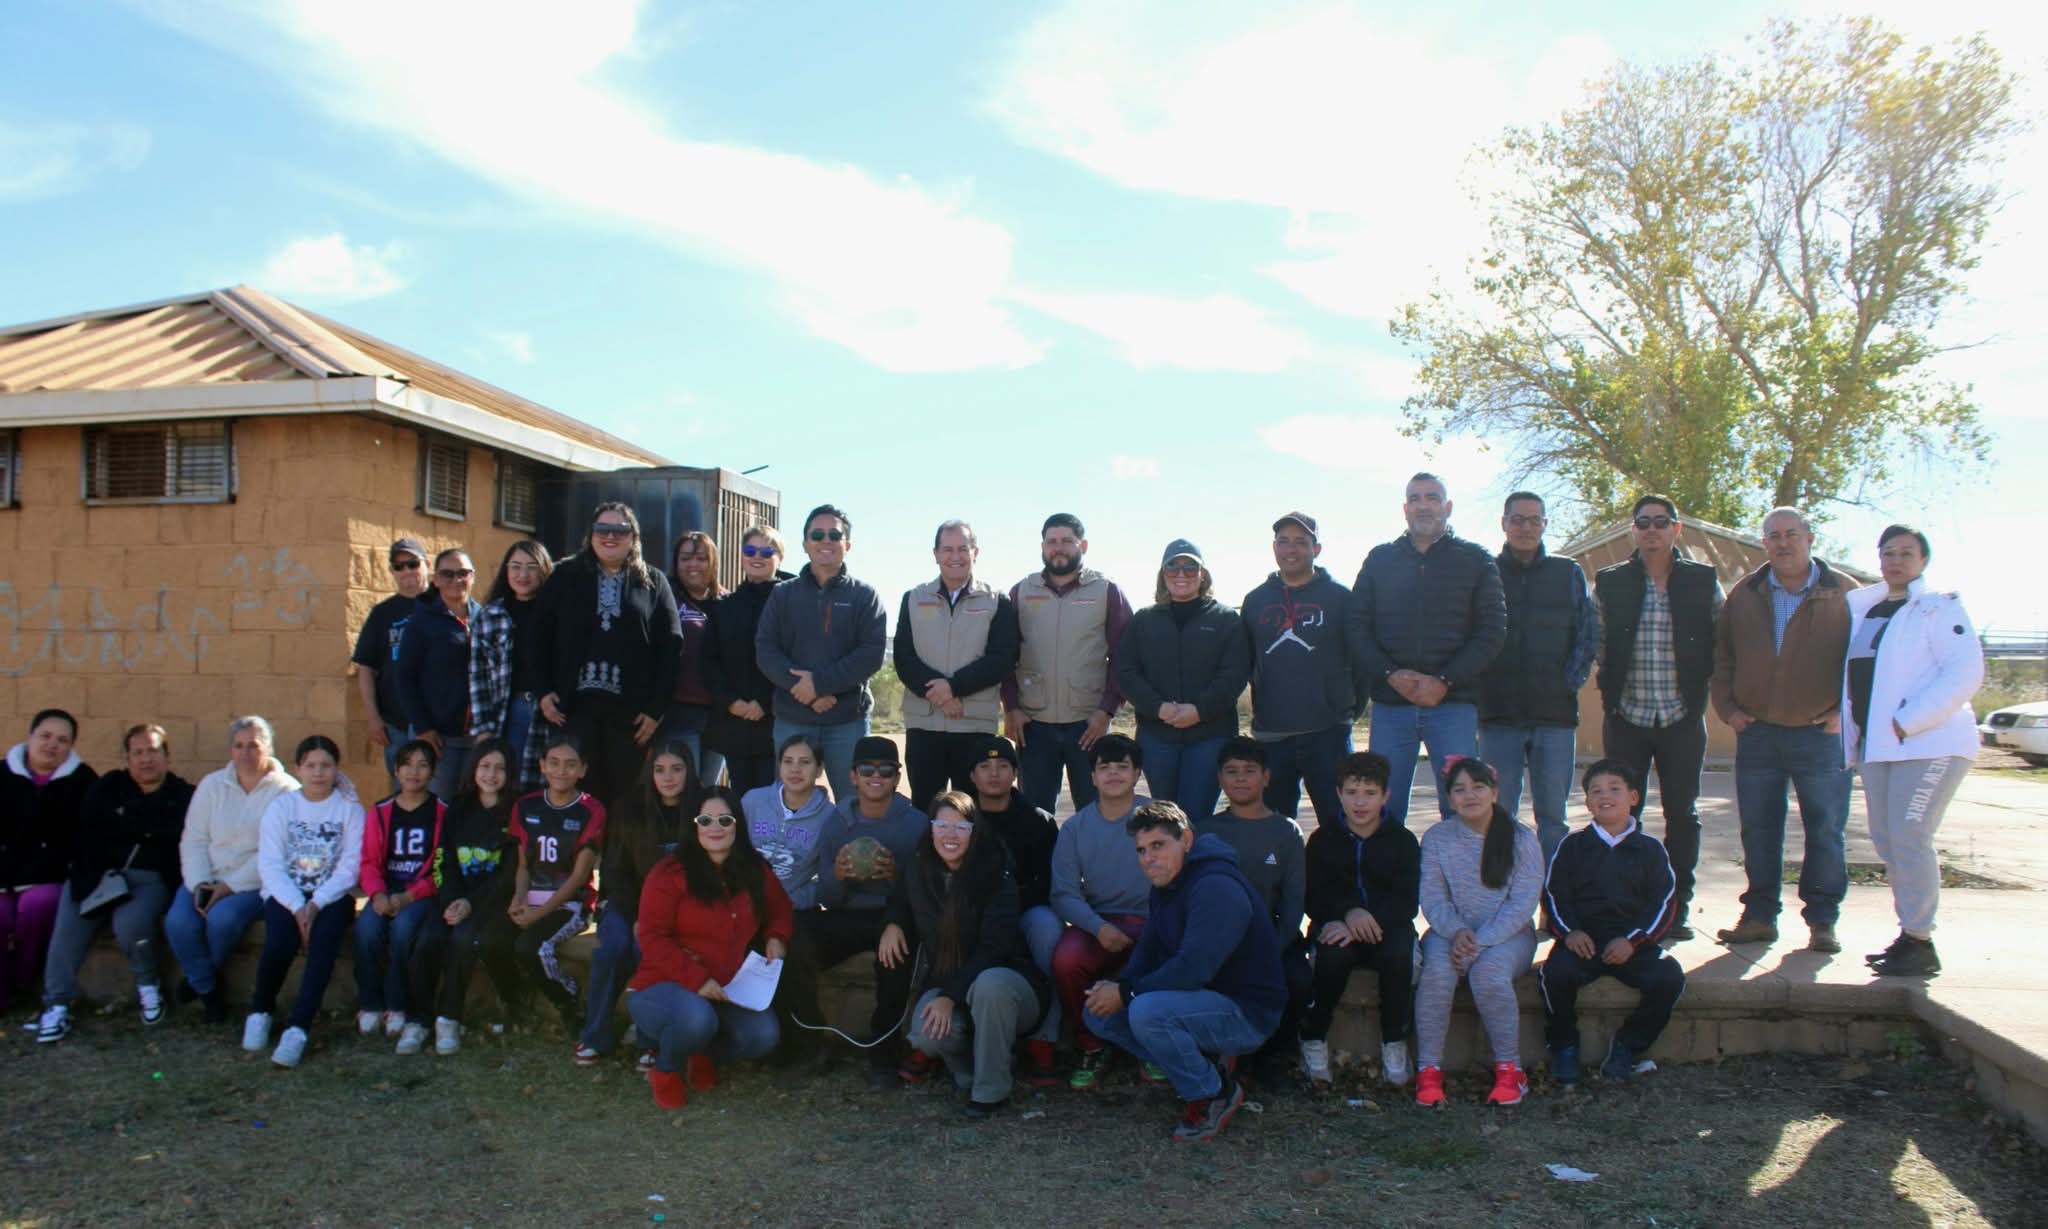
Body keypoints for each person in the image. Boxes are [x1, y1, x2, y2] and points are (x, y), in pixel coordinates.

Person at [1082, 801, 1285, 1143]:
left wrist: (1126, 993)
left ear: (1187, 840)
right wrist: (1117, 987)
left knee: (1147, 1012)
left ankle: (1213, 1093)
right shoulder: (1168, 883)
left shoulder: (1215, 886)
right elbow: (1149, 949)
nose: (1148, 858)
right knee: (1099, 1013)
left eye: (1158, 845)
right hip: (1199, 1003)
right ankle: (1204, 1065)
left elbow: (1192, 970)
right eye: (1142, 850)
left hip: (1245, 1012)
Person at [1710, 507, 1855, 954]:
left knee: (1825, 829)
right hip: (1758, 733)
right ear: (1765, 544)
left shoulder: (1844, 593)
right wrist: (1729, 710)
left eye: (1792, 534)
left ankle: (1823, 921)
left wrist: (1845, 712)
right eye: (1773, 536)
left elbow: (1865, 660)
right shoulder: (1745, 594)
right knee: (1758, 830)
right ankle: (1759, 916)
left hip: (1821, 734)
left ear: (1810, 538)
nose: (1783, 542)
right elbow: (1722, 657)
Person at [1841, 526, 1984, 978]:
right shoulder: (1868, 609)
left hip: (1930, 743)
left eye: (1906, 553)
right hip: (1878, 746)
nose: (1896, 560)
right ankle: (1909, 935)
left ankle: (1921, 940)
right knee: (1887, 840)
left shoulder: (1939, 607)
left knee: (1909, 834)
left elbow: (1965, 671)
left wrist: (1909, 720)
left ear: (1924, 560)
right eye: (1888, 553)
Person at [1595, 494, 1725, 942]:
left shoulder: (1703, 581)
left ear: (1676, 529)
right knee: (1622, 814)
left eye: (1661, 521)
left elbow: (1722, 641)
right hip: (1627, 717)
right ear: (1634, 530)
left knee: (1681, 815)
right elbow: (1596, 640)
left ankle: (1675, 907)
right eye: (1644, 522)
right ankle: (1625, 905)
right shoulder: (1610, 582)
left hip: (1681, 717)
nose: (1652, 529)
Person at [1348, 473, 1507, 827]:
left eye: (1432, 498)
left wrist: (1445, 680)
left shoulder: (1475, 560)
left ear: (1447, 507)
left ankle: (1459, 867)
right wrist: (1390, 675)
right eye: (1415, 498)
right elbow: (1356, 627)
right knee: (1383, 811)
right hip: (1391, 706)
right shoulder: (1379, 560)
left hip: (1453, 705)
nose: (1424, 505)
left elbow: (1493, 631)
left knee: (1462, 809)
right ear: (1405, 509)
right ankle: (1393, 867)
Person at [880, 791, 1050, 1117]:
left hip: (1011, 988)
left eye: (961, 827)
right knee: (925, 1032)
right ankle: (970, 1072)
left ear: (975, 832)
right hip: (949, 981)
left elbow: (995, 948)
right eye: (942, 825)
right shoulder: (920, 867)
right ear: (930, 828)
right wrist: (893, 924)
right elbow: (900, 899)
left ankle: (990, 1092)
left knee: (989, 985)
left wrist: (949, 996)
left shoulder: (996, 874)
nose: (951, 834)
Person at [627, 787, 792, 1110]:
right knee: (696, 1019)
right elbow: (651, 937)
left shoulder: (754, 869)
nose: (715, 827)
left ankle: (702, 1053)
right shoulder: (669, 873)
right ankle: (666, 1070)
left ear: (738, 824)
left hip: (727, 987)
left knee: (763, 1036)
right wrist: (697, 979)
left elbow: (781, 909)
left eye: (725, 820)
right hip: (663, 985)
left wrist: (777, 937)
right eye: (705, 820)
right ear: (694, 825)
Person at [781, 736, 924, 1088]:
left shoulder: (916, 824)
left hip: (894, 917)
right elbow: (830, 898)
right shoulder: (837, 823)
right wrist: (839, 876)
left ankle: (883, 1053)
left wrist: (895, 878)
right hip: (849, 915)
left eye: (885, 770)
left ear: (897, 777)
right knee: (793, 934)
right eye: (867, 769)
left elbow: (924, 893)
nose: (876, 776)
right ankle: (812, 1043)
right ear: (853, 776)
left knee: (895, 955)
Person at [36, 725, 193, 1043]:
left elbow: (174, 836)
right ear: (127, 758)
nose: (145, 759)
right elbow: (89, 829)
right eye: (138, 752)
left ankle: (148, 987)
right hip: (97, 874)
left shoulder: (183, 795)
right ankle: (56, 1005)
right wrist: (147, 827)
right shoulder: (108, 786)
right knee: (69, 928)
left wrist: (127, 820)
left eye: (153, 751)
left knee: (131, 924)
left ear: (167, 756)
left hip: (148, 879)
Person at [1540, 759, 1686, 1084]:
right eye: (1596, 791)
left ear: (1633, 797)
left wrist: (1633, 941)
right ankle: (1564, 1045)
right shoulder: (1572, 846)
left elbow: (1663, 902)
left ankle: (1627, 1047)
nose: (1604, 796)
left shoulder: (1650, 850)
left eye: (1614, 789)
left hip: (1632, 944)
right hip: (1583, 942)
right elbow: (1554, 894)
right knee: (1554, 975)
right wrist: (1570, 933)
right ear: (1587, 802)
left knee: (1669, 977)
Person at [532, 502, 683, 809]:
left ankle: (617, 844)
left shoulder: (653, 582)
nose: (610, 536)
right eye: (602, 529)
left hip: (631, 716)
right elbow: (538, 635)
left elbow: (671, 647)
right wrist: (542, 691)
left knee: (624, 800)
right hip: (572, 709)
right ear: (590, 534)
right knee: (576, 795)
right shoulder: (564, 576)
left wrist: (656, 710)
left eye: (620, 530)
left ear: (633, 537)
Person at [1412, 757, 1541, 1108]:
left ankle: (1510, 1070)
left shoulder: (1521, 839)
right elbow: (1433, 898)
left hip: (1509, 936)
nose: (1470, 795)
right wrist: (1456, 932)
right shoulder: (1437, 838)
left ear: (1495, 792)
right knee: (1437, 972)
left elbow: (1522, 905)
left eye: (1478, 787)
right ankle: (1428, 1070)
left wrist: (1480, 942)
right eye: (1460, 789)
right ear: (1449, 798)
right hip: (1449, 932)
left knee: (1488, 973)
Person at [1477, 492, 1600, 861]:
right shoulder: (1485, 572)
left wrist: (1568, 683)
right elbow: (1471, 635)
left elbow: (1587, 634)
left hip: (1554, 717)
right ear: (1504, 523)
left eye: (1534, 520)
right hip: (1498, 717)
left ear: (1545, 525)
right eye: (1517, 519)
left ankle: (1553, 892)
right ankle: (1503, 892)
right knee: (1498, 815)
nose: (1525, 527)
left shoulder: (1568, 572)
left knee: (1553, 818)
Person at [243, 734, 365, 1069]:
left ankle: (298, 1028)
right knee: (279, 942)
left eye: (326, 765)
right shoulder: (282, 807)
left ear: (336, 769)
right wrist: (297, 905)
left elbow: (350, 866)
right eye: (310, 765)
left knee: (323, 947)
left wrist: (316, 903)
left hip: (332, 897)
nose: (318, 773)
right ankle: (261, 1010)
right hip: (286, 895)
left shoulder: (350, 810)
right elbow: (270, 864)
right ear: (298, 769)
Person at [166, 715, 298, 1023]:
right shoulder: (212, 785)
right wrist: (201, 884)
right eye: (239, 746)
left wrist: (228, 888)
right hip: (207, 875)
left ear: (268, 748)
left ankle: (199, 984)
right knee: (178, 922)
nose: (246, 753)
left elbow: (275, 853)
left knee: (222, 920)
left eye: (254, 745)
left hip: (253, 883)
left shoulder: (287, 792)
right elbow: (195, 838)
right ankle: (207, 986)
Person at [1298, 751, 1419, 1086]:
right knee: (1332, 956)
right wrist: (1346, 914)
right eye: (1351, 792)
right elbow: (1314, 895)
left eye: (1370, 793)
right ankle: (1314, 1037)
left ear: (1386, 796)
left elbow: (1408, 901)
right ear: (1339, 794)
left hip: (1388, 926)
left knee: (1398, 958)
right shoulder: (1322, 840)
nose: (1360, 802)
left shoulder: (1403, 841)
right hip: (1336, 924)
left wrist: (1370, 918)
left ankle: (1394, 1041)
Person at [755, 503, 888, 803]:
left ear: (847, 545)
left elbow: (870, 655)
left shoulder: (865, 596)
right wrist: (804, 690)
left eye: (834, 535)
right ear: (805, 544)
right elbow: (766, 650)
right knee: (789, 803)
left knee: (853, 804)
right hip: (792, 719)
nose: (825, 541)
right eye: (817, 535)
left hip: (847, 722)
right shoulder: (782, 594)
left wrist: (820, 685)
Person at [1003, 513, 1134, 815]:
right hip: (1033, 724)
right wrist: (1011, 707)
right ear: (1042, 547)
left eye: (1066, 541)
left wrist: (1106, 711)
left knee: (1095, 813)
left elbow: (1124, 657)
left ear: (1083, 546)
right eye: (1051, 542)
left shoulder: (1106, 591)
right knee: (1035, 816)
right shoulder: (1021, 592)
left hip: (1088, 725)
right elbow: (1005, 655)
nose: (1058, 548)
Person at [578, 739, 698, 1065]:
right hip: (629, 904)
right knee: (613, 949)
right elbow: (615, 870)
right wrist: (637, 915)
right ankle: (595, 1035)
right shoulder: (629, 808)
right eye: (660, 770)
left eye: (677, 769)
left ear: (690, 771)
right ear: (650, 773)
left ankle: (650, 1039)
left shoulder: (702, 810)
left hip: (680, 910)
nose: (668, 777)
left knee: (651, 950)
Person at [1199, 737, 1309, 1087]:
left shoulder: (1286, 832)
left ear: (1266, 777)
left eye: (1249, 771)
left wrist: (1271, 947)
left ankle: (1275, 1056)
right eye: (1231, 772)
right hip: (1222, 938)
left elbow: (1293, 902)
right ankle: (1224, 1055)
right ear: (1220, 779)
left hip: (1273, 935)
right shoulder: (1207, 831)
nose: (1241, 779)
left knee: (1297, 979)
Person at [1115, 538, 1251, 819]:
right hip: (1157, 736)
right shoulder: (1144, 620)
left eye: (1190, 567)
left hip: (1210, 736)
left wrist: (1199, 710)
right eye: (1173, 567)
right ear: (1162, 575)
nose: (1181, 574)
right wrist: (1158, 707)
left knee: (1197, 816)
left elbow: (1235, 673)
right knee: (1165, 817)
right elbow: (1125, 671)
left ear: (1203, 575)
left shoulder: (1225, 619)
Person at [1242, 512, 1360, 830]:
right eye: (1283, 541)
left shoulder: (1340, 598)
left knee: (1340, 826)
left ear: (1316, 549)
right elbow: (1245, 663)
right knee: (1275, 829)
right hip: (1273, 735)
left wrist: (1344, 707)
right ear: (1274, 547)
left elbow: (1360, 660)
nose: (1290, 549)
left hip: (1328, 733)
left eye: (1300, 542)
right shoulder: (1255, 601)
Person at [894, 520, 1021, 810]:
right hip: (924, 725)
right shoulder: (913, 599)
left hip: (974, 724)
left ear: (975, 552)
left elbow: (1001, 658)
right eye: (947, 549)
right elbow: (904, 658)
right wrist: (939, 695)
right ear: (936, 554)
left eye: (963, 549)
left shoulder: (996, 601)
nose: (955, 556)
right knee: (926, 809)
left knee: (973, 811)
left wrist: (953, 687)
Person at [1049, 734, 1153, 1088]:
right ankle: (1091, 1044)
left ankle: (1154, 1044)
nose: (1113, 774)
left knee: (1172, 954)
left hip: (1154, 921)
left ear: (1137, 773)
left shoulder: (1161, 818)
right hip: (1100, 923)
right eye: (1104, 767)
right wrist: (1097, 927)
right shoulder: (1076, 828)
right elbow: (1064, 893)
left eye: (1122, 767)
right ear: (1092, 776)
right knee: (1066, 959)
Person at [488, 733, 605, 1038]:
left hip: (570, 903)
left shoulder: (591, 810)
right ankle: (515, 1002)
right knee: (490, 941)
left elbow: (579, 877)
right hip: (531, 897)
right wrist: (519, 899)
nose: (561, 771)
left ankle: (568, 1001)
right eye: (553, 762)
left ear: (583, 769)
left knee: (532, 947)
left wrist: (538, 915)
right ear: (541, 766)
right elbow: (523, 865)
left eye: (570, 764)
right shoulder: (526, 806)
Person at [407, 738, 518, 1056]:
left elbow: (510, 873)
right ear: (473, 769)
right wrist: (453, 899)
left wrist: (471, 903)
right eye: (485, 766)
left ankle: (448, 1018)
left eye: (499, 768)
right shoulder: (458, 808)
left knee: (464, 939)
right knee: (428, 938)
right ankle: (418, 1019)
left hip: (492, 903)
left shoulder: (516, 812)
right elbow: (444, 861)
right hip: (455, 899)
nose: (491, 774)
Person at [964, 736, 1063, 1085]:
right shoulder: (959, 817)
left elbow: (1048, 883)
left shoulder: (1038, 821)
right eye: (985, 767)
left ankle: (1045, 1037)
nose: (994, 774)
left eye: (1003, 766)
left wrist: (1008, 907)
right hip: (970, 912)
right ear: (972, 775)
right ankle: (938, 1031)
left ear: (1016, 773)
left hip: (1025, 910)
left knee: (1048, 927)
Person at [1, 709, 97, 1015]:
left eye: (62, 740)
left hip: (50, 877)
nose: (52, 744)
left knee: (38, 906)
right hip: (3, 876)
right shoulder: (2, 774)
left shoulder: (84, 781)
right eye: (45, 736)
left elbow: (87, 837)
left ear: (70, 747)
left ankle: (22, 982)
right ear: (30, 737)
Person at [355, 739, 447, 1051]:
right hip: (386, 890)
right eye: (407, 764)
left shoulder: (442, 813)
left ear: (433, 772)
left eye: (423, 765)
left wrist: (409, 896)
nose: (414, 772)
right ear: (396, 770)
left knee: (404, 929)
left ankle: (397, 1005)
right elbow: (369, 862)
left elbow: (441, 867)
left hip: (419, 895)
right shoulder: (381, 811)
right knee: (367, 929)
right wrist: (377, 894)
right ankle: (370, 1003)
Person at [704, 525, 795, 796]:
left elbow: (795, 657)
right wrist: (731, 702)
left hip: (778, 721)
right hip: (735, 723)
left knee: (778, 800)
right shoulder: (723, 606)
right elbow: (710, 661)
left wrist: (764, 702)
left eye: (767, 552)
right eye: (750, 550)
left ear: (780, 557)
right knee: (743, 802)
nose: (757, 557)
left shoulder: (791, 605)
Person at [470, 538, 555, 792]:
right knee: (507, 785)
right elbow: (478, 675)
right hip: (507, 713)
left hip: (549, 712)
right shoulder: (491, 615)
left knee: (545, 786)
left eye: (531, 567)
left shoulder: (558, 612)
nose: (522, 575)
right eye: (515, 567)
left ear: (544, 570)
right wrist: (483, 727)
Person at [397, 548, 482, 801]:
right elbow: (405, 677)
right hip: (438, 738)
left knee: (469, 807)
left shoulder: (485, 617)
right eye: (447, 574)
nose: (456, 580)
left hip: (478, 737)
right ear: (435, 580)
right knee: (437, 807)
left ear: (473, 576)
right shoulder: (421, 622)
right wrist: (423, 727)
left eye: (463, 573)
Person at [352, 536, 430, 784]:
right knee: (403, 792)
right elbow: (366, 667)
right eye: (399, 566)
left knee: (441, 793)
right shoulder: (382, 614)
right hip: (396, 724)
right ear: (392, 572)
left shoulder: (443, 605)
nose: (406, 571)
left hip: (438, 723)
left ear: (427, 564)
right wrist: (373, 718)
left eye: (413, 564)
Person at [660, 530, 727, 788]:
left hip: (719, 716)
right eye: (685, 558)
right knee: (681, 789)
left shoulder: (727, 602)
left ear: (713, 562)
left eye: (701, 558)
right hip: (678, 712)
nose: (693, 565)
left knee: (707, 791)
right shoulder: (664, 598)